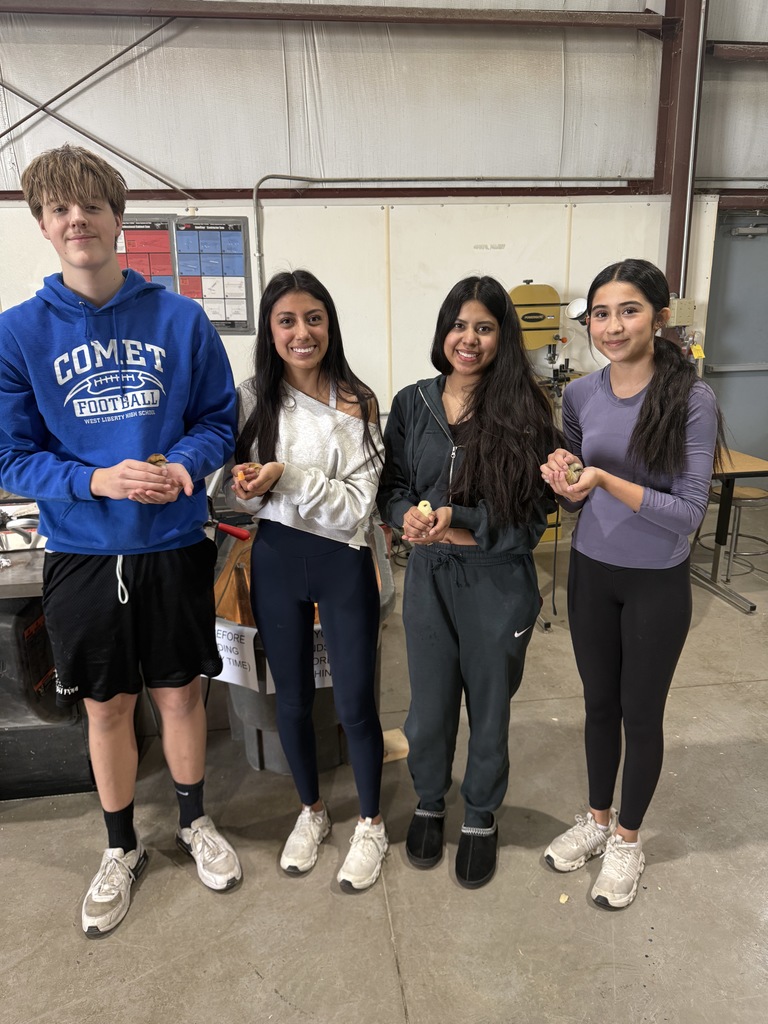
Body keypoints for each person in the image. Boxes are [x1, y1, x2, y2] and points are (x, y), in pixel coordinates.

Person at [0, 145, 242, 937]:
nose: (78, 220)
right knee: (106, 707)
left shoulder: (180, 319)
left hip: (172, 544)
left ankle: (195, 821)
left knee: (181, 694)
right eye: (60, 210)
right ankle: (118, 847)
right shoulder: (18, 333)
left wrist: (180, 467)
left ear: (116, 218)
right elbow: (10, 455)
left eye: (91, 206)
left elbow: (217, 422)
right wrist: (97, 481)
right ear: (43, 224)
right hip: (82, 551)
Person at [541, 258, 726, 909]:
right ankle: (595, 821)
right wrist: (564, 477)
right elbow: (571, 501)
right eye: (600, 312)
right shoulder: (581, 395)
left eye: (629, 310)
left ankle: (627, 838)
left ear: (659, 317)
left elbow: (689, 513)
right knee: (598, 705)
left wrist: (605, 480)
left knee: (640, 714)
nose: (612, 325)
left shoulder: (691, 399)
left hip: (656, 583)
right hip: (592, 573)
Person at [377, 275, 561, 889]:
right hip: (428, 577)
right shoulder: (412, 401)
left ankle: (480, 814)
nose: (469, 339)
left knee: (489, 706)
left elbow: (533, 519)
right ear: (443, 331)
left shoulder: (526, 411)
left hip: (497, 581)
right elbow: (394, 484)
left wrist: (465, 523)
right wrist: (403, 513)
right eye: (459, 325)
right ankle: (431, 799)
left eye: (485, 327)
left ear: (503, 337)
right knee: (428, 707)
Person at [228, 269, 388, 892]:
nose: (302, 333)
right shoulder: (249, 399)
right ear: (269, 330)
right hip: (273, 560)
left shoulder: (357, 400)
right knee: (288, 698)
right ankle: (312, 811)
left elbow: (355, 508)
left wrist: (284, 478)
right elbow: (235, 495)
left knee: (353, 702)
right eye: (287, 321)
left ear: (331, 323)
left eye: (313, 318)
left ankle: (370, 823)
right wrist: (244, 486)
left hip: (342, 561)